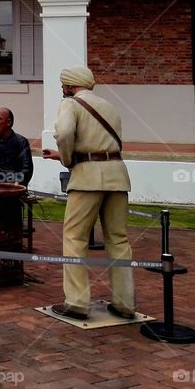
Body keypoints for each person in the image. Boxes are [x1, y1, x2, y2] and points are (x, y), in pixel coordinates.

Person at [42, 65, 136, 320]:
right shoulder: (109, 106)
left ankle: (76, 302)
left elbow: (63, 133)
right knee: (118, 239)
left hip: (87, 178)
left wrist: (66, 159)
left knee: (74, 238)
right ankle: (125, 303)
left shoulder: (71, 104)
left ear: (70, 86)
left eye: (63, 85)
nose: (62, 89)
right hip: (117, 175)